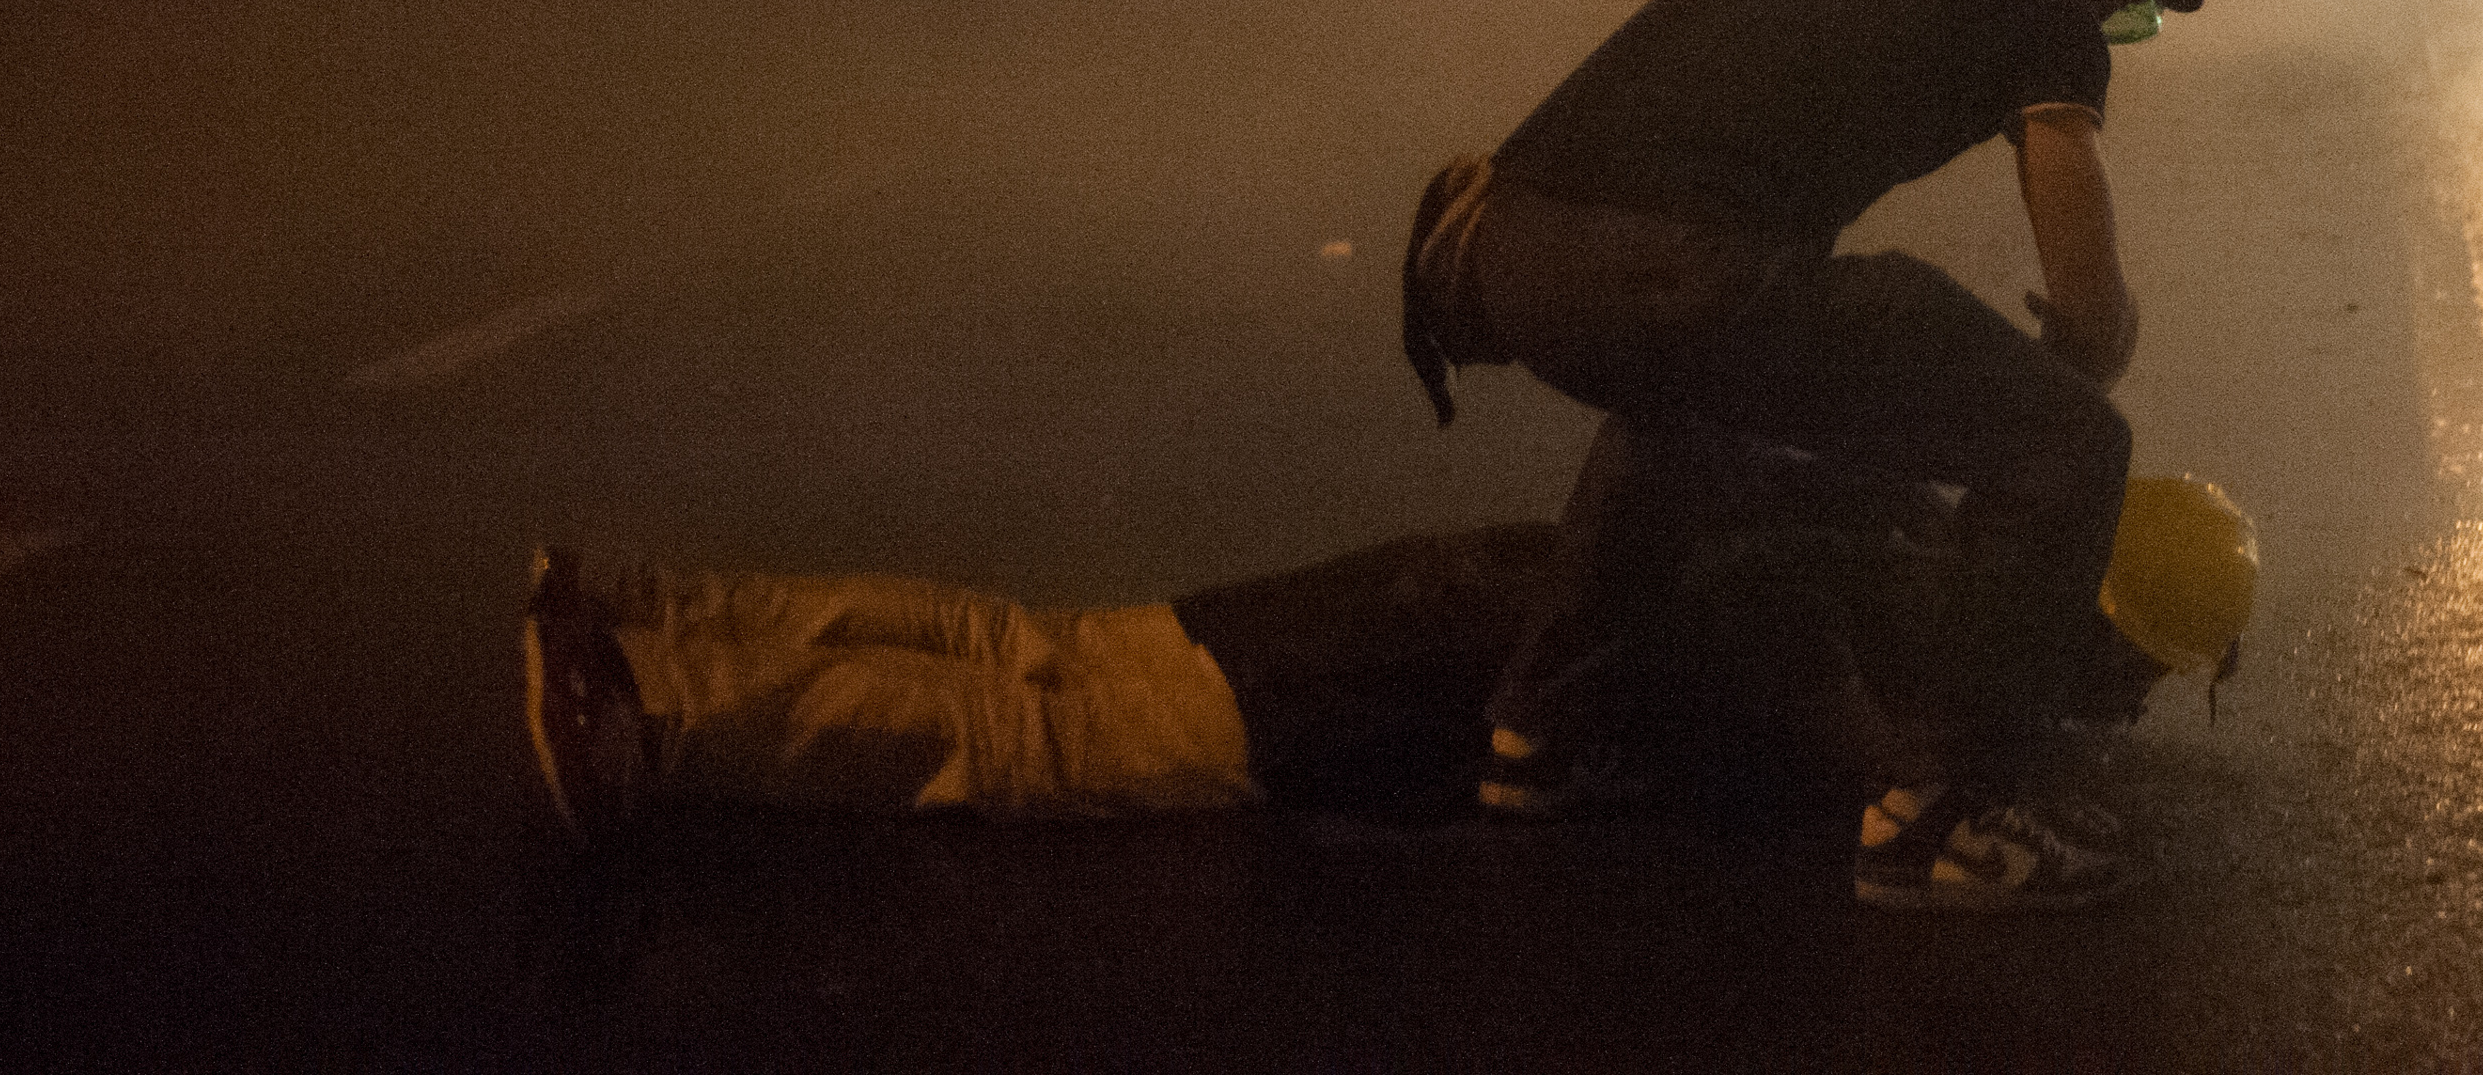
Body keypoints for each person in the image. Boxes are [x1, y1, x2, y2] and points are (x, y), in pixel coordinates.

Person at [1398, 0, 2225, 912]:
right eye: (2130, 6)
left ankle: (1537, 742)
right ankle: (1942, 816)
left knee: (1692, 400)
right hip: (1674, 268)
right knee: (2069, 443)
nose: (2113, 24)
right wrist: (2088, 355)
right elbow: (2083, 303)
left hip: (1503, 248)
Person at [517, 471, 2257, 842]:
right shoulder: (1939, 624)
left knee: (1034, 646)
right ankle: (657, 703)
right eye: (2152, 665)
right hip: (1447, 671)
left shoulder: (1935, 513)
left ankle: (656, 596)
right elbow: (1779, 652)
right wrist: (1881, 764)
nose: (2139, 700)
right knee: (1032, 737)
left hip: (1463, 576)